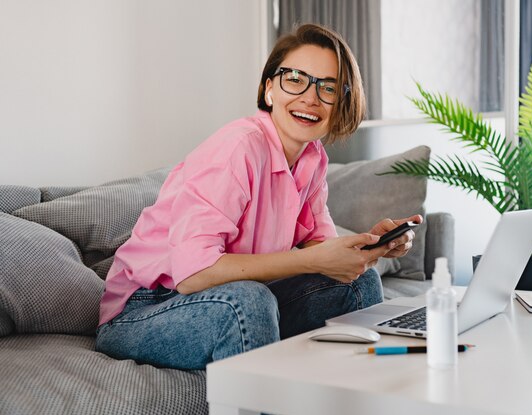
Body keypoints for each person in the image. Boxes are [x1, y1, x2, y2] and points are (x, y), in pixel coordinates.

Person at [95, 23, 422, 370]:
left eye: (327, 88)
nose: (310, 97)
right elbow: (193, 274)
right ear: (269, 90)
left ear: (341, 102)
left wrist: (369, 246)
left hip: (232, 293)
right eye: (295, 79)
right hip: (145, 310)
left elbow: (320, 249)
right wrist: (313, 261)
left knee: (360, 284)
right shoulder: (240, 147)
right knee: (248, 303)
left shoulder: (312, 158)